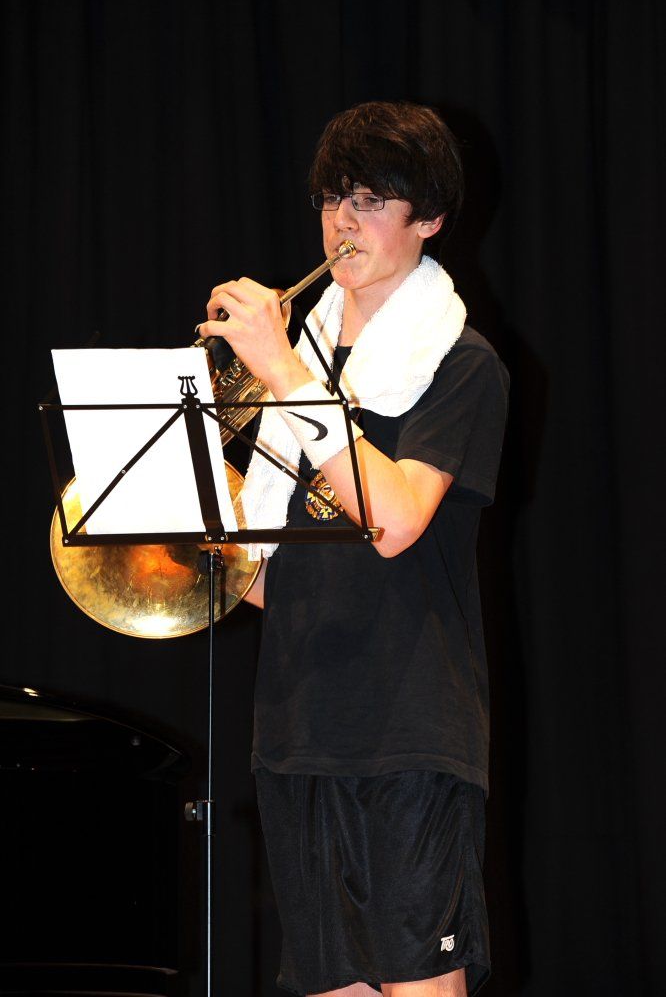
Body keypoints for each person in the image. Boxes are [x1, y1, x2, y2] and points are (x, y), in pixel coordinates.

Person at [198, 100, 509, 997]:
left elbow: (397, 520)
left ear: (430, 218)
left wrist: (286, 375)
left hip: (411, 731)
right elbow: (273, 580)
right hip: (297, 728)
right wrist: (193, 521)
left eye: (372, 200)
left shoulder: (461, 364)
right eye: (334, 198)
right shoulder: (294, 366)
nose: (344, 222)